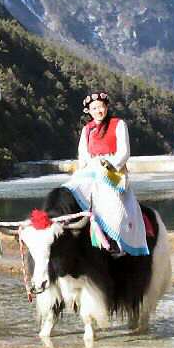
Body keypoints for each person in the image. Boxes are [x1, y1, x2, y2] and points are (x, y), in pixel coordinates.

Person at [64, 91, 149, 256]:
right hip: (92, 169)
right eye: (94, 108)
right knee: (72, 189)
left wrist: (109, 166)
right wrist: (87, 167)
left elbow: (124, 152)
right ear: (88, 111)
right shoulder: (87, 129)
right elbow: (83, 154)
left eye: (101, 107)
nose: (98, 111)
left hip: (113, 171)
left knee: (113, 200)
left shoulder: (118, 124)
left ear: (107, 107)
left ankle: (116, 239)